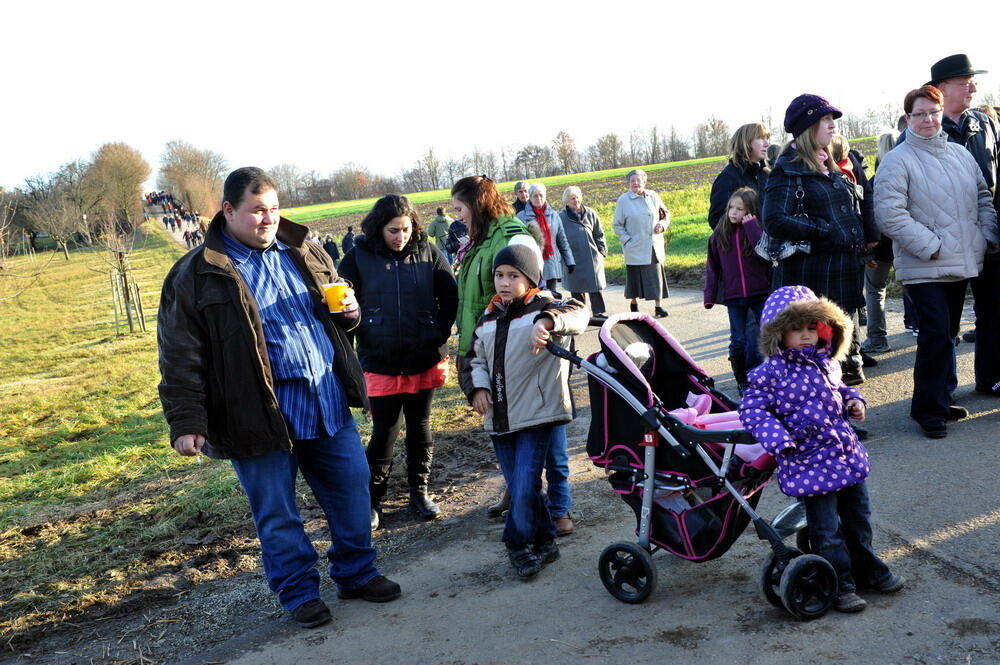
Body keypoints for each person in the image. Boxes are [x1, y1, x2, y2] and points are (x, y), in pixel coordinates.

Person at [156, 167, 400, 630]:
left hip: (324, 399)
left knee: (352, 490)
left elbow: (340, 318)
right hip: (256, 412)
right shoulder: (197, 273)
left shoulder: (302, 250)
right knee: (277, 511)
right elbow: (179, 353)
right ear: (228, 210)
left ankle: (357, 573)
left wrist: (351, 313)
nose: (267, 219)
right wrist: (187, 419)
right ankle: (299, 592)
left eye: (273, 208)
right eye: (256, 211)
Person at [739, 285, 905, 613]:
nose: (805, 336)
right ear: (777, 334)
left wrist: (854, 400)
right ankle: (840, 584)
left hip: (844, 454)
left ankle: (867, 567)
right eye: (795, 329)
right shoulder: (769, 374)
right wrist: (779, 440)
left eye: (811, 328)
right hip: (808, 460)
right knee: (826, 529)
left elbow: (839, 388)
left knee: (859, 519)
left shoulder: (826, 361)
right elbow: (752, 410)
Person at [451, 176, 573, 534]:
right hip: (491, 345)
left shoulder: (511, 236)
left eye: (460, 208)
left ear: (477, 204)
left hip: (527, 347)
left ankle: (559, 507)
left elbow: (538, 288)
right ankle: (521, 494)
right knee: (509, 428)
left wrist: (546, 319)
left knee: (548, 433)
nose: (457, 215)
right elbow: (476, 298)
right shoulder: (480, 240)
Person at [874, 86, 998, 438]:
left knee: (949, 334)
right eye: (919, 114)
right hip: (924, 265)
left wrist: (984, 236)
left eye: (933, 112)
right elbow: (889, 214)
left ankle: (939, 399)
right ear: (908, 118)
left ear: (941, 113)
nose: (927, 119)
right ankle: (927, 410)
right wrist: (930, 245)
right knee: (935, 336)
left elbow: (982, 198)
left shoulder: (960, 154)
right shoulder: (898, 159)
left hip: (961, 262)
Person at [460, 244, 588, 578]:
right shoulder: (486, 319)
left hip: (536, 414)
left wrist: (547, 321)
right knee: (522, 485)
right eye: (499, 275)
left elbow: (580, 313)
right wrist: (478, 388)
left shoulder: (546, 306)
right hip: (498, 419)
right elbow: (474, 360)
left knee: (525, 483)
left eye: (513, 276)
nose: (504, 282)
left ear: (529, 279)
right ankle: (545, 540)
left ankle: (516, 542)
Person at [338, 195, 458, 528]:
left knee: (420, 428)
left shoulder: (428, 252)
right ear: (379, 227)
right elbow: (342, 306)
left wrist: (438, 332)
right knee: (385, 432)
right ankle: (372, 502)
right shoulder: (357, 256)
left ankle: (419, 493)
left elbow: (449, 295)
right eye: (393, 230)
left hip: (424, 357)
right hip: (380, 360)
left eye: (406, 229)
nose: (400, 236)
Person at [762, 94, 877, 386]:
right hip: (813, 277)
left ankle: (837, 421)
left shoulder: (830, 164)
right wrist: (823, 230)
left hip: (843, 273)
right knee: (815, 359)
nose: (832, 126)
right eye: (825, 119)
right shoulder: (788, 169)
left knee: (834, 355)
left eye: (832, 120)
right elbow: (774, 220)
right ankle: (822, 424)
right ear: (808, 126)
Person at [926, 55, 1000, 389]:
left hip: (988, 233)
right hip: (947, 240)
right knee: (946, 322)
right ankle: (944, 390)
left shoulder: (986, 123)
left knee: (994, 311)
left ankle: (991, 378)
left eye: (974, 82)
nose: (972, 88)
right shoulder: (925, 127)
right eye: (964, 81)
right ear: (941, 88)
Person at [703, 187, 771, 394]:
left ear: (750, 211)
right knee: (738, 340)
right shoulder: (719, 235)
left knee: (764, 336)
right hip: (734, 297)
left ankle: (763, 376)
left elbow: (764, 254)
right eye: (731, 207)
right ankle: (742, 380)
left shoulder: (757, 229)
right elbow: (712, 268)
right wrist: (710, 296)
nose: (733, 212)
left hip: (760, 293)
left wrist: (751, 227)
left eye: (739, 209)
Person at [612, 169, 670, 317]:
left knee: (656, 275)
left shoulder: (653, 196)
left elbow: (665, 214)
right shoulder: (623, 200)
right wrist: (627, 240)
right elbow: (617, 225)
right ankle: (634, 303)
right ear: (628, 183)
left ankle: (658, 306)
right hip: (634, 246)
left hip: (652, 244)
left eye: (639, 180)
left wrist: (662, 225)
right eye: (632, 181)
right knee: (634, 277)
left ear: (644, 181)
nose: (636, 183)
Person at [707, 123, 771, 230]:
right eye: (760, 138)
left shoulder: (766, 174)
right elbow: (716, 220)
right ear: (745, 143)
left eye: (767, 138)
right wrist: (747, 235)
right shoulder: (727, 178)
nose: (767, 144)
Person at [559, 186, 608, 323]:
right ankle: (580, 315)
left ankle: (598, 313)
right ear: (566, 202)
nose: (576, 201)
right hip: (573, 259)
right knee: (576, 289)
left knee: (595, 286)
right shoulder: (561, 217)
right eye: (572, 199)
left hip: (592, 257)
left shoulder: (590, 213)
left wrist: (601, 250)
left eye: (578, 197)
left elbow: (599, 233)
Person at [516, 182, 575, 293]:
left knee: (551, 296)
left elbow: (562, 240)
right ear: (530, 197)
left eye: (541, 195)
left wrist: (569, 261)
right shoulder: (521, 217)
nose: (539, 198)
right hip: (532, 263)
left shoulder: (554, 215)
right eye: (535, 195)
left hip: (551, 261)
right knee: (534, 295)